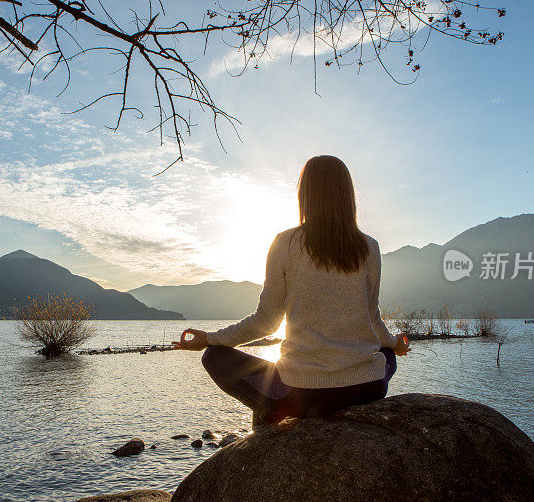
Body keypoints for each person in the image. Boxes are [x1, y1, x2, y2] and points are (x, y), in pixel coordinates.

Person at [174, 155, 410, 427]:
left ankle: (273, 410)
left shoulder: (285, 243)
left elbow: (266, 322)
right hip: (366, 389)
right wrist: (395, 343)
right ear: (348, 195)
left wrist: (210, 338)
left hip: (302, 394)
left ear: (305, 194)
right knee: (387, 356)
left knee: (215, 356)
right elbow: (373, 320)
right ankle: (279, 411)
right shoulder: (370, 247)